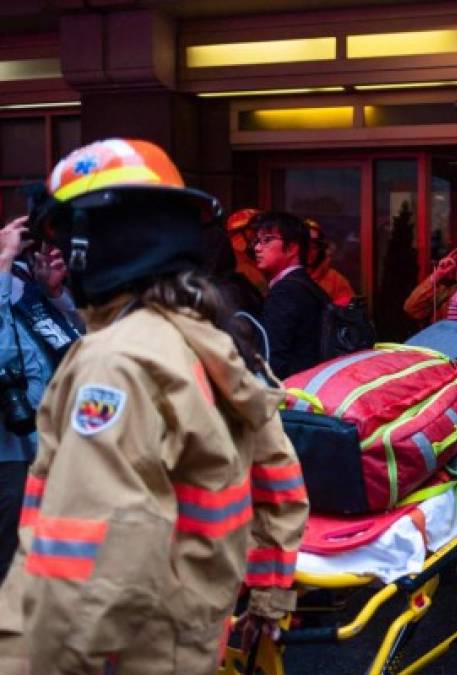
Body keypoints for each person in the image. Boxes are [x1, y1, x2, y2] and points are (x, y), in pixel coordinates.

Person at [0, 138, 308, 673]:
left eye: (63, 238)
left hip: (125, 655)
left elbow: (88, 563)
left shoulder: (116, 362)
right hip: (189, 640)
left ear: (89, 244)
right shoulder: (212, 340)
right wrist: (268, 596)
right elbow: (277, 478)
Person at [0, 222, 80, 584]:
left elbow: (75, 338)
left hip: (48, 437)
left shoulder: (21, 278)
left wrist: (52, 291)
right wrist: (3, 264)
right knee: (10, 552)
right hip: (10, 449)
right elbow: (4, 352)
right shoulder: (6, 274)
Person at [252, 211, 327, 379]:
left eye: (267, 240)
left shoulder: (286, 292)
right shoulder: (309, 287)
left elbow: (271, 361)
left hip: (292, 396)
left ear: (292, 248)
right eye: (257, 241)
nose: (257, 247)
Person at [305, 218, 354, 306]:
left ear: (321, 248)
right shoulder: (284, 275)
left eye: (314, 244)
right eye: (304, 243)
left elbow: (348, 313)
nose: (309, 249)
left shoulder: (336, 280)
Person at [225, 208, 267, 295]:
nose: (260, 235)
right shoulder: (242, 267)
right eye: (255, 230)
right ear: (239, 233)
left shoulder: (250, 260)